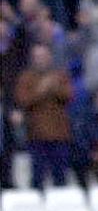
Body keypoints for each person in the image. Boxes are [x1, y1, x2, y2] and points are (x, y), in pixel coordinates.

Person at [13, 44, 74, 190]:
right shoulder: (26, 78)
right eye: (37, 57)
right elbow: (22, 100)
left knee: (60, 176)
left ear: (49, 57)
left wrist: (53, 87)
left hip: (59, 134)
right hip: (36, 134)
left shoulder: (60, 75)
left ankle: (60, 201)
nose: (40, 60)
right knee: (37, 175)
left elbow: (69, 96)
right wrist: (41, 90)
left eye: (43, 56)